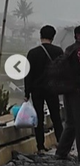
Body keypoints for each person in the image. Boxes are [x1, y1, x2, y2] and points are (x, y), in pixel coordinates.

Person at [55, 25, 80, 163]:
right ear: (77, 35)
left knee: (70, 123)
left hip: (68, 90)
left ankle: (61, 152)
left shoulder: (69, 49)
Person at [24, 25, 64, 154]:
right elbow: (62, 71)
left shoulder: (32, 52)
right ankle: (62, 145)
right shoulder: (58, 51)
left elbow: (28, 74)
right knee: (56, 117)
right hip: (52, 89)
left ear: (40, 35)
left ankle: (40, 147)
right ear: (53, 36)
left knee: (39, 118)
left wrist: (26, 93)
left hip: (37, 90)